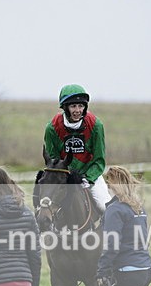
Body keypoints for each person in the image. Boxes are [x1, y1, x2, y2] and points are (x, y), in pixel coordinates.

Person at [43, 84, 111, 213]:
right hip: (63, 177)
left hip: (90, 176)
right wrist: (66, 177)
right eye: (73, 106)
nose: (77, 110)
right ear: (65, 107)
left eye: (81, 106)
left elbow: (99, 159)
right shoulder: (52, 128)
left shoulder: (96, 125)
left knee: (104, 207)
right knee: (45, 206)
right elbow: (53, 160)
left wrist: (88, 178)